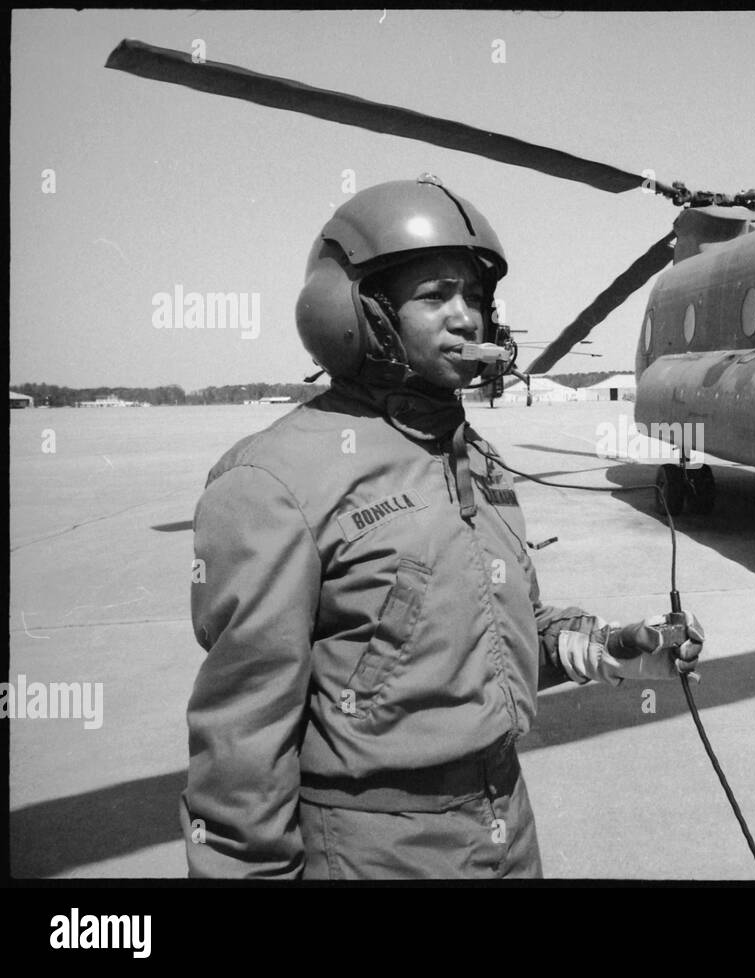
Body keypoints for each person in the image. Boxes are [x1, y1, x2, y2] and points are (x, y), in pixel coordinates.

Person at [181, 174, 703, 879]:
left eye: (476, 298)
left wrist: (611, 648)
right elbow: (242, 748)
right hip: (378, 847)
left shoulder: (473, 456)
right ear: (360, 313)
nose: (468, 318)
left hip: (504, 822)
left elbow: (491, 633)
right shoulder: (272, 483)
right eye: (435, 296)